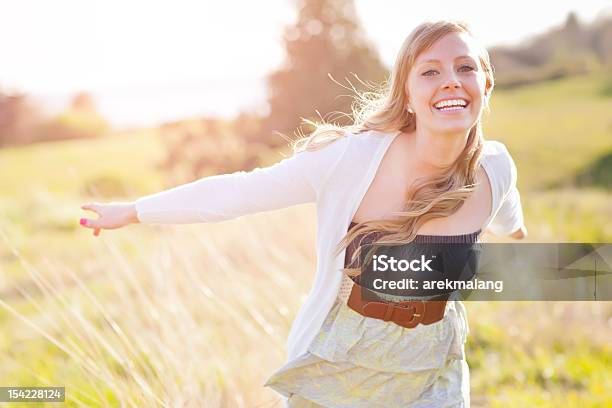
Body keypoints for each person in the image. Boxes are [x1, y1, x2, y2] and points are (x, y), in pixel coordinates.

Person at [80, 20, 527, 407]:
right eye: (431, 71)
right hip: (339, 371)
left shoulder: (494, 168)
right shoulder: (349, 160)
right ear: (407, 95)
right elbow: (241, 192)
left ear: (484, 86)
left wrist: (521, 235)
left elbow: (508, 214)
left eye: (465, 67)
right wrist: (135, 211)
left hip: (434, 378)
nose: (451, 80)